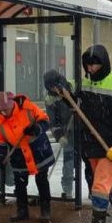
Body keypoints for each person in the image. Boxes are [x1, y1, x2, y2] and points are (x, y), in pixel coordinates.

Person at [44, 44, 112, 223]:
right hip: (91, 142)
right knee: (105, 183)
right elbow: (78, 104)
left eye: (95, 64)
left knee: (100, 186)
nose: (91, 68)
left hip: (109, 145)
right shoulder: (85, 83)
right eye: (88, 65)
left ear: (103, 63)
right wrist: (67, 96)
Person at [0, 91, 54, 223]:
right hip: (18, 155)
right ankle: (22, 210)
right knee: (20, 183)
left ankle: (45, 210)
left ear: (12, 103)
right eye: (1, 110)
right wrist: (0, 156)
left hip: (38, 150)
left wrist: (36, 128)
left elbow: (45, 120)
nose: (4, 113)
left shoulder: (28, 108)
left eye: (6, 109)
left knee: (42, 180)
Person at [43, 70, 76, 199]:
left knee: (89, 164)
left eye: (55, 85)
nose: (54, 89)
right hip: (67, 135)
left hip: (83, 132)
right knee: (68, 163)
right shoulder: (50, 99)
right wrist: (59, 136)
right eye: (50, 87)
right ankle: (68, 191)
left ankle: (92, 191)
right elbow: (53, 122)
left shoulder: (73, 86)